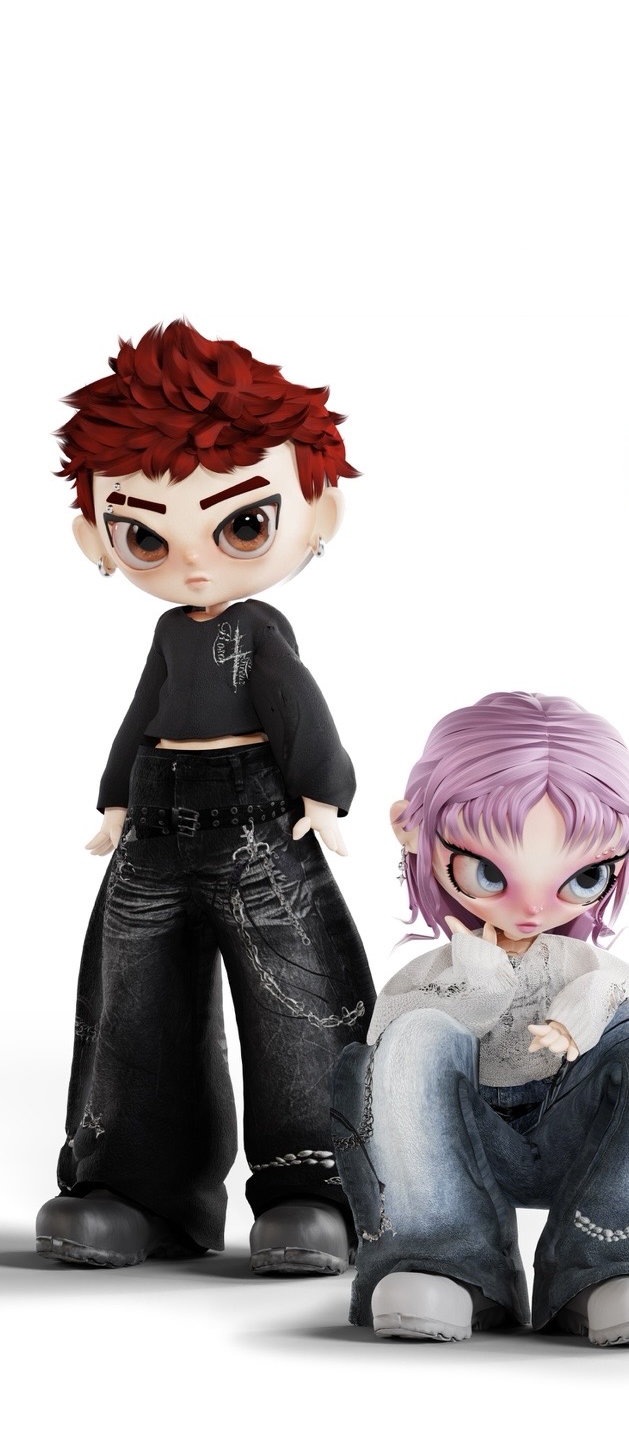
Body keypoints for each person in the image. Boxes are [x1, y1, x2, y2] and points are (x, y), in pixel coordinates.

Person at [37, 320, 375, 1275]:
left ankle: (317, 1183)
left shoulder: (260, 628)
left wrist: (325, 793)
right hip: (154, 818)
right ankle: (135, 1188)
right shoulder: (169, 635)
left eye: (243, 524)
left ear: (318, 513)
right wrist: (115, 800)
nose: (191, 562)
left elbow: (298, 708)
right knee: (133, 994)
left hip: (258, 817)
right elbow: (141, 715)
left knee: (296, 993)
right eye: (145, 534)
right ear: (96, 537)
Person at [331, 692, 629, 1344]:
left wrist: (575, 1022)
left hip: (582, 1129)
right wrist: (475, 986)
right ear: (409, 827)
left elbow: (618, 990)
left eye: (583, 877)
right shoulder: (437, 967)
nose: (531, 908)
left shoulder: (579, 961)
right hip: (456, 1142)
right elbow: (389, 1047)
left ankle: (619, 1252)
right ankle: (442, 1254)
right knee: (409, 1038)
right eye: (488, 871)